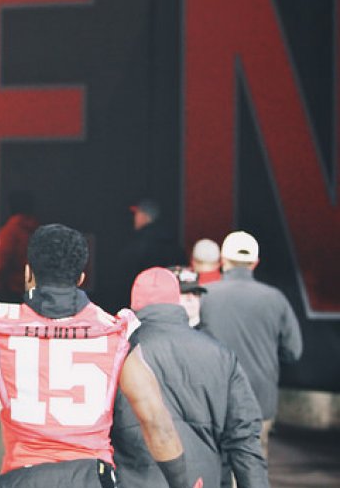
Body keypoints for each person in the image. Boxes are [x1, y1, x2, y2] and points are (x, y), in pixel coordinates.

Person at [0, 223, 202, 488]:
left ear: (27, 274)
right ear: (80, 279)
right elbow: (157, 424)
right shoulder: (114, 332)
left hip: (22, 479)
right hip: (91, 480)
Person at [111, 267, 268, 488]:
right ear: (176, 302)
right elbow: (244, 439)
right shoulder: (220, 355)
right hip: (203, 480)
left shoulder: (118, 353)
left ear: (134, 305)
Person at [199, 230, 303, 459]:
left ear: (222, 261)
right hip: (260, 400)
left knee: (216, 468)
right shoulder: (275, 298)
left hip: (214, 400)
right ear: (254, 263)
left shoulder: (205, 296)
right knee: (253, 468)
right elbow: (293, 351)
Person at [112, 198, 186, 309]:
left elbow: (124, 281)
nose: (134, 218)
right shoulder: (173, 244)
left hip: (143, 305)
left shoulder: (138, 245)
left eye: (137, 214)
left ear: (144, 216)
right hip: (170, 303)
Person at [0, 190, 40, 301]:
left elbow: (0, 266)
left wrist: (1, 288)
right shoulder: (38, 231)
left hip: (13, 292)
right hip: (37, 292)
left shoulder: (9, 232)